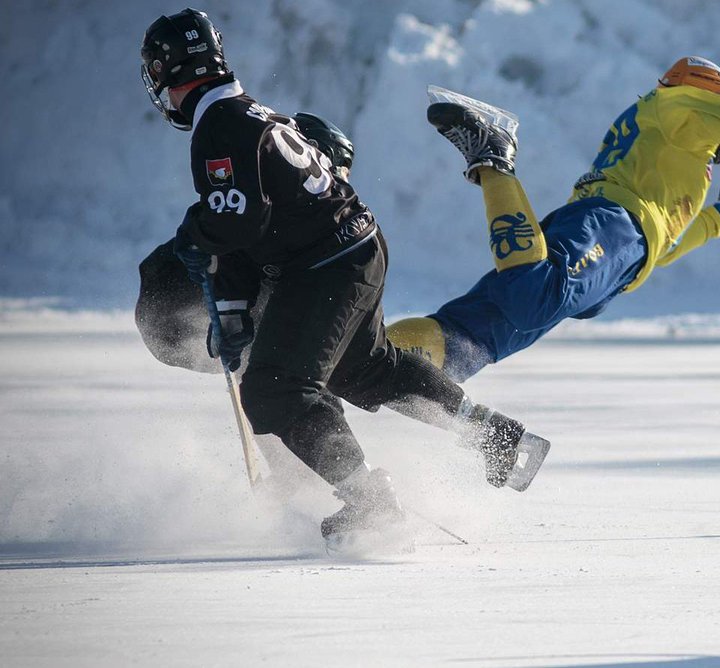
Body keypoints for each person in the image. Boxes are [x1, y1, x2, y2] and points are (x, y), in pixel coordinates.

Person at [139, 8, 548, 548]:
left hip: (326, 264)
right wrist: (234, 307)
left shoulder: (217, 125)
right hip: (356, 247)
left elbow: (238, 221)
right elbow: (250, 230)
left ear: (168, 70)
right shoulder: (247, 111)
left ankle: (372, 504)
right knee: (366, 371)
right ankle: (492, 434)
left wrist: (195, 234)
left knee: (273, 392)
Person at [387, 57, 720, 381]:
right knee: (532, 297)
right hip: (612, 225)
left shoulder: (671, 147)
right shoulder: (677, 107)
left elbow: (660, 248)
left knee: (473, 340)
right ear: (712, 97)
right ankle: (494, 155)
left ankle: (376, 359)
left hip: (618, 245)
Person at [135, 112, 353, 375]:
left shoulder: (272, 195)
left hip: (169, 312)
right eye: (339, 169)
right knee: (292, 364)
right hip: (173, 303)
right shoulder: (283, 207)